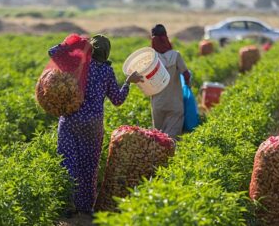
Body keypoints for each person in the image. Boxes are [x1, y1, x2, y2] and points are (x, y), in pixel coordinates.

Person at [51, 34, 142, 215]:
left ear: (90, 50)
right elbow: (117, 100)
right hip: (92, 125)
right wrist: (128, 83)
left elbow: (53, 52)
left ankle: (67, 205)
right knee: (89, 166)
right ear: (107, 53)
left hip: (71, 120)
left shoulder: (79, 64)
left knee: (67, 162)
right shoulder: (107, 71)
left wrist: (74, 44)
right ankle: (85, 207)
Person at [150, 24, 191, 140]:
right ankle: (173, 158)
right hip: (175, 103)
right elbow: (186, 74)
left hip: (158, 103)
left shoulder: (152, 58)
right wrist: (188, 85)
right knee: (172, 139)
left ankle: (161, 158)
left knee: (159, 137)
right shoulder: (176, 55)